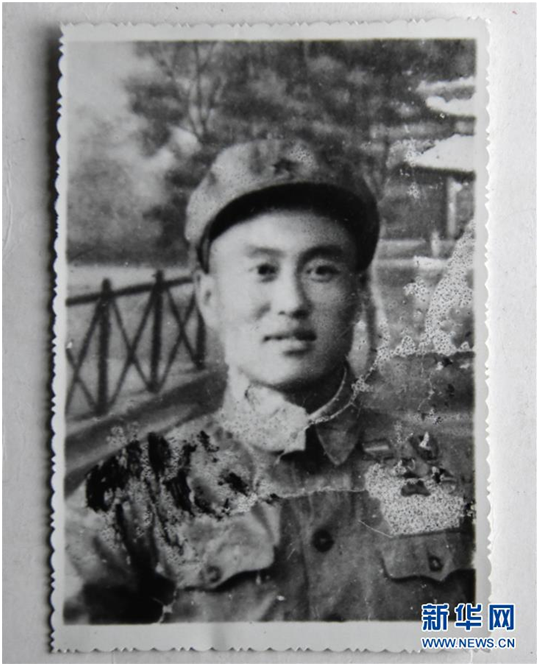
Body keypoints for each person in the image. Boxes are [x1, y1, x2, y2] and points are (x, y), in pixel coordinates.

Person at [65, 139, 475, 624]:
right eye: (262, 269)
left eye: (321, 270)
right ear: (209, 297)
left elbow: (508, 637)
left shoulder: (460, 475)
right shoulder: (132, 496)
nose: (291, 302)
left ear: (359, 295)